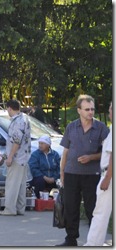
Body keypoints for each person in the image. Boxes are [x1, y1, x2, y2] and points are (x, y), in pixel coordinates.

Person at [56, 94, 109, 246]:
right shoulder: (71, 127)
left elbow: (108, 152)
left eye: (92, 109)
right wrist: (62, 173)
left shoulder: (101, 128)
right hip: (71, 173)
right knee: (71, 207)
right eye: (87, 109)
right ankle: (71, 239)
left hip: (92, 175)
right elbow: (65, 152)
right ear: (79, 110)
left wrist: (91, 157)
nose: (90, 112)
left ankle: (95, 241)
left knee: (92, 208)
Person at [84, 102, 112, 246]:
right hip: (108, 173)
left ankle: (93, 244)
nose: (109, 113)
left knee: (100, 212)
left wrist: (107, 178)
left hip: (109, 174)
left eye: (110, 110)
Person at [0, 99, 32, 216]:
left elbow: (16, 141)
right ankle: (20, 208)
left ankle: (10, 209)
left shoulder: (18, 121)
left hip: (17, 157)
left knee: (12, 184)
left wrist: (10, 157)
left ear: (9, 108)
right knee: (21, 184)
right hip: (23, 157)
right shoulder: (24, 118)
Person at [28, 135, 60, 199]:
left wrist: (54, 177)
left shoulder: (55, 154)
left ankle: (59, 201)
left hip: (53, 178)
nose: (40, 145)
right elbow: (33, 168)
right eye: (39, 143)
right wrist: (45, 177)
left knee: (61, 181)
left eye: (42, 143)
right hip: (41, 177)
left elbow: (59, 168)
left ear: (48, 145)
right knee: (39, 180)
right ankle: (39, 199)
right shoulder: (35, 154)